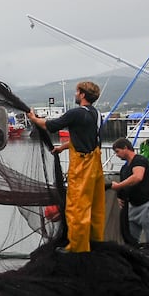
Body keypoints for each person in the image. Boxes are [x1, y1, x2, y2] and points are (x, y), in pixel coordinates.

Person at [26, 81, 105, 253]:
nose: (75, 94)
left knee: (77, 206)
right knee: (95, 206)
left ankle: (77, 247)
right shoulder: (97, 114)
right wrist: (62, 147)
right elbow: (86, 138)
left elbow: (51, 126)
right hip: (96, 165)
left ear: (83, 94)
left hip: (83, 165)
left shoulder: (76, 113)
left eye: (77, 92)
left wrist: (33, 118)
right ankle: (95, 242)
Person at [107, 137, 149, 243]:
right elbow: (124, 187)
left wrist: (118, 186)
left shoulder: (139, 160)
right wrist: (119, 197)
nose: (117, 155)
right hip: (133, 207)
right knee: (131, 238)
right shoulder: (124, 169)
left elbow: (137, 177)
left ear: (125, 148)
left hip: (148, 205)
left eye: (117, 152)